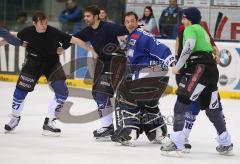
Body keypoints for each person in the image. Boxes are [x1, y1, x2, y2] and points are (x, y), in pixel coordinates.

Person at [4, 11, 92, 136]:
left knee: (62, 92)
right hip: (33, 64)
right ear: (34, 23)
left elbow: (74, 40)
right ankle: (15, 117)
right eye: (41, 24)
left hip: (52, 64)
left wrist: (90, 49)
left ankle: (50, 122)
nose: (44, 26)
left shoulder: (53, 31)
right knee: (20, 92)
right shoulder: (27, 31)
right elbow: (13, 37)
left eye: (45, 23)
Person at [160, 7, 233, 156]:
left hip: (198, 69)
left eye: (184, 18)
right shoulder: (202, 30)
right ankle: (225, 141)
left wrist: (177, 66)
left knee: (181, 103)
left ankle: (177, 143)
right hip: (211, 70)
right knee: (212, 109)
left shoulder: (190, 29)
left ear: (190, 19)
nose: (182, 21)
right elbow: (212, 48)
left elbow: (188, 46)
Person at [110, 11, 175, 146]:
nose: (130, 24)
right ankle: (158, 132)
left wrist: (172, 63)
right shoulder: (130, 38)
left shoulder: (143, 36)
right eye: (127, 22)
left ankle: (130, 133)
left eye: (132, 21)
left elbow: (160, 48)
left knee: (124, 95)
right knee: (147, 103)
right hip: (157, 79)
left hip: (151, 74)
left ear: (138, 21)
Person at [67, 5, 128, 140]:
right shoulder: (88, 31)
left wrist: (140, 32)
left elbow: (127, 29)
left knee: (103, 93)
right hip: (102, 64)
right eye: (84, 16)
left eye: (88, 16)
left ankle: (110, 127)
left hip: (115, 62)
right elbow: (74, 38)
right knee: (97, 94)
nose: (85, 18)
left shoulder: (108, 27)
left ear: (96, 16)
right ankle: (108, 127)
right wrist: (60, 47)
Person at [175, 23, 223, 152]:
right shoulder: (185, 28)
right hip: (192, 69)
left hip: (197, 69)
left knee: (188, 102)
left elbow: (212, 45)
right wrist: (177, 60)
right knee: (204, 104)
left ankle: (181, 138)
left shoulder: (198, 29)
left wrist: (217, 54)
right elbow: (178, 44)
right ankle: (224, 139)